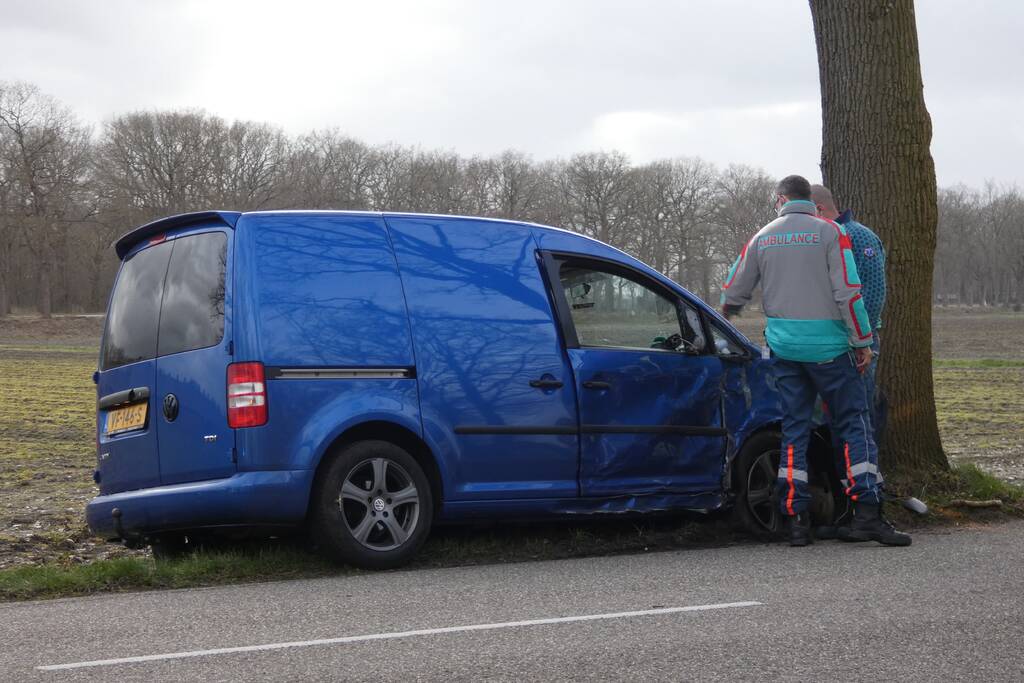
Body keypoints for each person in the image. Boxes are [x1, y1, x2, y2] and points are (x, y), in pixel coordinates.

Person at [720, 174, 910, 547]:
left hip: (785, 349)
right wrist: (862, 341)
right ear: (811, 201)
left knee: (794, 429)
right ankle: (867, 513)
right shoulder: (830, 234)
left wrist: (724, 316)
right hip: (830, 350)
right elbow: (849, 293)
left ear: (781, 199)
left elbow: (735, 290)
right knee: (855, 424)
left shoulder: (764, 235)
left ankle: (797, 520)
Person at [810, 185, 887, 445]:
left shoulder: (859, 237)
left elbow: (873, 294)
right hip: (825, 344)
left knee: (858, 413)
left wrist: (859, 341)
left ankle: (868, 478)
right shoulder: (817, 239)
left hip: (854, 344)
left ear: (818, 209)